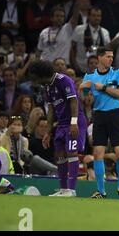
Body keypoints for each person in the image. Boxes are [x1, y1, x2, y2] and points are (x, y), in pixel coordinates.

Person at [27, 60, 87, 197]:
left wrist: (73, 122)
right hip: (61, 124)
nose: (35, 81)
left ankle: (72, 190)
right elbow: (51, 110)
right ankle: (63, 189)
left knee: (72, 153)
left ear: (42, 74)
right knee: (59, 155)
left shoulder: (63, 80)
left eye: (36, 77)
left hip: (74, 121)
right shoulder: (47, 87)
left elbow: (73, 101)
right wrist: (48, 131)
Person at [80, 47, 119, 199]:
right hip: (99, 115)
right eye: (108, 56)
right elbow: (87, 100)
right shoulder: (90, 76)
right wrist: (82, 90)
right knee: (97, 154)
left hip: (115, 114)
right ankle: (101, 191)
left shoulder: (118, 73)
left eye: (112, 56)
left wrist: (104, 88)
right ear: (100, 58)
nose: (110, 59)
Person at [70, 7, 111, 75]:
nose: (96, 18)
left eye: (98, 16)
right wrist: (75, 65)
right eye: (94, 15)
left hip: (99, 69)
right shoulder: (79, 29)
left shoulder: (105, 32)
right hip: (81, 67)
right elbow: (72, 49)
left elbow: (107, 51)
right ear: (89, 16)